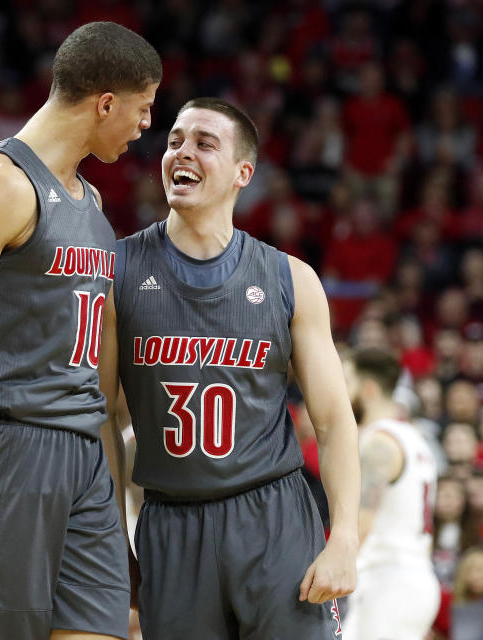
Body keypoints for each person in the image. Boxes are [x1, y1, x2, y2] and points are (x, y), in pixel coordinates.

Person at [0, 22, 161, 640]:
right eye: (142, 109)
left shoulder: (92, 203)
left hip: (82, 453)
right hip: (4, 449)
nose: (143, 127)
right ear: (105, 102)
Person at [100, 97, 358, 639]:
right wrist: (108, 537)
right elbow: (100, 416)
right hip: (170, 523)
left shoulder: (292, 279)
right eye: (174, 141)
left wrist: (345, 537)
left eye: (203, 143)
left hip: (273, 516)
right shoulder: (116, 271)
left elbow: (334, 421)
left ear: (244, 173)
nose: (181, 153)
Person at [342, 347, 440, 640]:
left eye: (347, 383)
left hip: (390, 581)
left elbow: (362, 520)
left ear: (369, 389)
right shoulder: (414, 437)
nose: (340, 393)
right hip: (407, 577)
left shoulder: (379, 443)